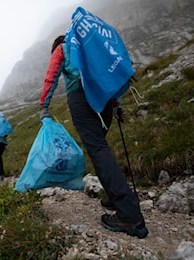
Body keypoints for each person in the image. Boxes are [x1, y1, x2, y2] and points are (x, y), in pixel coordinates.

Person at [38, 35, 148, 239]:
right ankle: (116, 197)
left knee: (97, 149)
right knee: (100, 147)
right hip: (104, 99)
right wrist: (117, 105)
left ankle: (129, 214)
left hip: (81, 99)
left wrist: (44, 107)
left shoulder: (62, 48)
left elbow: (51, 76)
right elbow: (106, 74)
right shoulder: (86, 46)